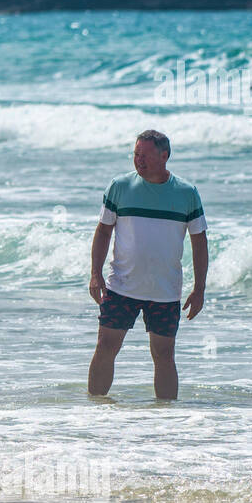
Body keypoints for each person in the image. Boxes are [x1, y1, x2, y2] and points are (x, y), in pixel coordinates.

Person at [88, 130, 208, 400]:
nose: (138, 160)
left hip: (164, 291)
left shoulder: (187, 193)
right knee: (106, 346)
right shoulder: (119, 187)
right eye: (135, 154)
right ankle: (93, 412)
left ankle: (166, 420)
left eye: (145, 155)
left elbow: (199, 242)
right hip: (121, 286)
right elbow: (103, 231)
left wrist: (199, 289)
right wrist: (95, 274)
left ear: (164, 156)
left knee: (164, 355)